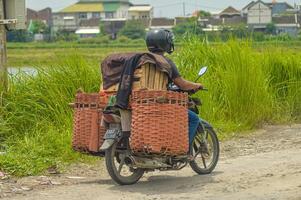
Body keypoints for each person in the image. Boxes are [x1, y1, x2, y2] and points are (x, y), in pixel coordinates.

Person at [145, 29, 203, 148]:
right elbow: (182, 84)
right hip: (161, 103)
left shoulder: (142, 60)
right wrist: (196, 85)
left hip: (141, 102)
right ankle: (183, 148)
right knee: (194, 119)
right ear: (164, 43)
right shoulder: (166, 62)